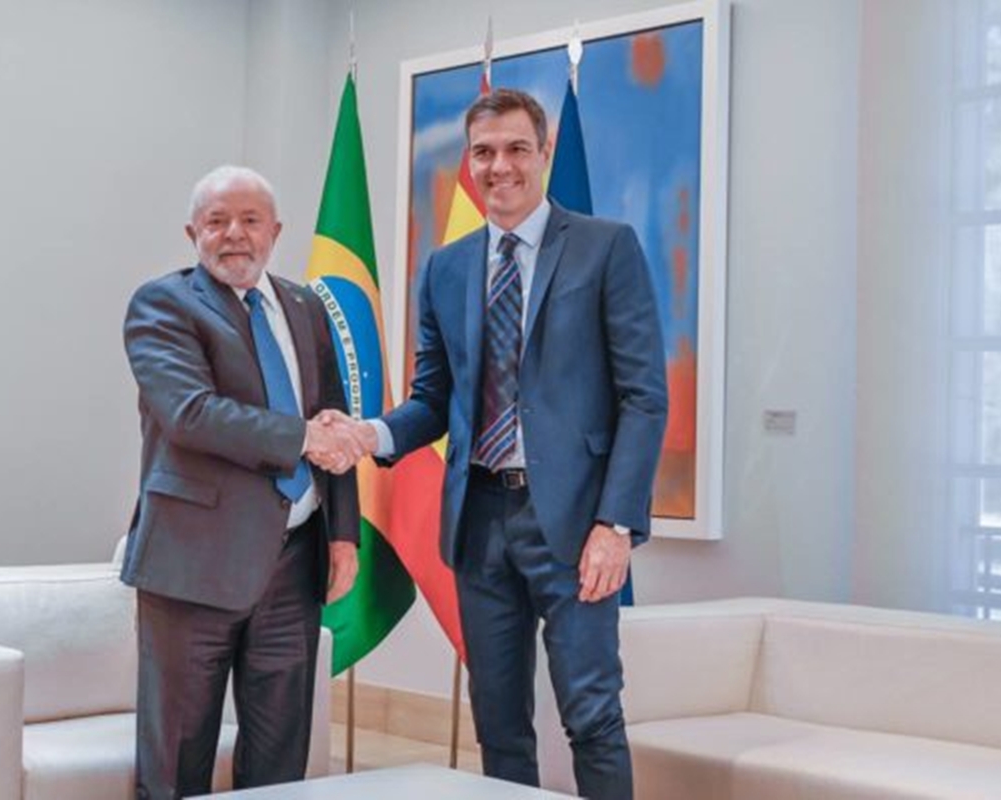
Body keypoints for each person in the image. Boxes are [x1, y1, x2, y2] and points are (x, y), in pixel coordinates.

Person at [326, 88, 667, 799]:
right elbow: (433, 399)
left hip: (575, 525)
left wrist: (616, 525)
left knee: (592, 716)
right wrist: (370, 433)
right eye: (483, 152)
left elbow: (643, 398)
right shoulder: (445, 268)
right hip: (479, 523)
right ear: (469, 160)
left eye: (516, 149)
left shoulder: (606, 248)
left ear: (544, 153)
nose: (499, 166)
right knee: (499, 723)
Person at [121, 165, 363, 799]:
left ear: (275, 231)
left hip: (294, 565)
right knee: (177, 759)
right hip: (193, 565)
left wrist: (343, 533)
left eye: (250, 220)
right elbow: (191, 414)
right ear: (192, 233)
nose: (234, 234)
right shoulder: (162, 305)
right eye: (217, 221)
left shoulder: (306, 306)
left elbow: (333, 417)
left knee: (280, 758)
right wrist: (303, 438)